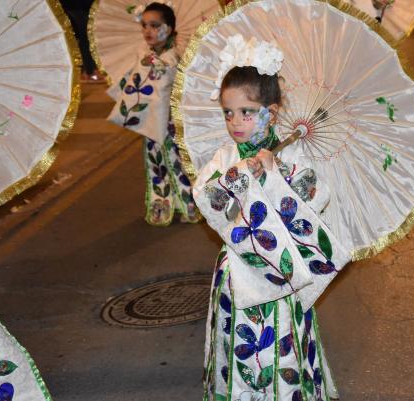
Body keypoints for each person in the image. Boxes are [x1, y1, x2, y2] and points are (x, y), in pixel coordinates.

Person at [193, 35, 350, 401]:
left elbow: (316, 199)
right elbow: (206, 197)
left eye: (247, 112)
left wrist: (278, 176)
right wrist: (237, 177)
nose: (236, 122)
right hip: (238, 270)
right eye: (228, 113)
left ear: (272, 112)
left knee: (281, 338)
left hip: (284, 272)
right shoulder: (225, 156)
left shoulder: (290, 156)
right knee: (241, 340)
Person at [107, 2, 199, 226]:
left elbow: (184, 92)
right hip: (150, 123)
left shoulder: (175, 59)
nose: (147, 30)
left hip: (171, 125)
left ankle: (189, 204)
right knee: (155, 164)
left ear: (167, 28)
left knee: (178, 164)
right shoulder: (143, 56)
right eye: (144, 25)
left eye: (154, 25)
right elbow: (130, 84)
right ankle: (161, 205)